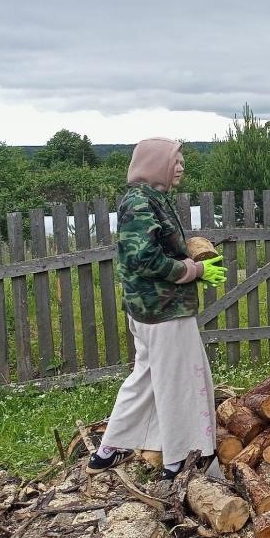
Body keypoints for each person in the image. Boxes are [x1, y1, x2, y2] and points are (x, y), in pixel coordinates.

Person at [88, 138, 226, 478]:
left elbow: (154, 248)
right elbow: (142, 257)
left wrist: (189, 257)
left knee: (147, 378)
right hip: (163, 311)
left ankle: (109, 449)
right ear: (154, 164)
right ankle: (180, 460)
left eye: (180, 161)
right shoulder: (139, 203)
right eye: (174, 160)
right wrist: (193, 271)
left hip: (153, 309)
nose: (180, 166)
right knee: (179, 382)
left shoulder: (151, 199)